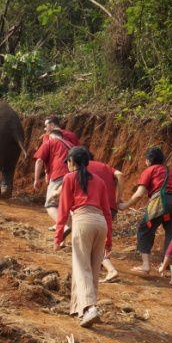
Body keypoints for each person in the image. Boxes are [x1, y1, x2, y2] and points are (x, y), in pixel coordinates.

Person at [55, 146, 113, 328]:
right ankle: (79, 308)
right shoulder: (100, 181)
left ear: (72, 162)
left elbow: (63, 209)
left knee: (81, 268)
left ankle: (90, 308)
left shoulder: (69, 178)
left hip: (83, 222)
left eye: (68, 163)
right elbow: (108, 212)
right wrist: (109, 239)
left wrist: (58, 236)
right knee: (93, 269)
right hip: (100, 224)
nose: (67, 166)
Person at [118, 146, 172, 286]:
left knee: (145, 228)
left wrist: (125, 205)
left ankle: (145, 266)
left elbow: (139, 193)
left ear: (148, 160)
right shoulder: (169, 171)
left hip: (162, 201)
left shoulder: (150, 170)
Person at [85, 155, 123, 282]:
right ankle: (100, 265)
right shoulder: (104, 166)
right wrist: (118, 199)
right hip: (110, 207)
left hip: (95, 207)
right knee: (101, 239)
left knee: (95, 242)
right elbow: (120, 174)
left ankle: (111, 270)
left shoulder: (83, 166)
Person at [34, 129, 74, 231]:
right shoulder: (72, 145)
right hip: (75, 177)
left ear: (51, 136)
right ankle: (65, 234)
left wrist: (36, 179)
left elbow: (39, 161)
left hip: (59, 175)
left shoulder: (50, 142)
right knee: (66, 206)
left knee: (50, 204)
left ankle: (63, 226)